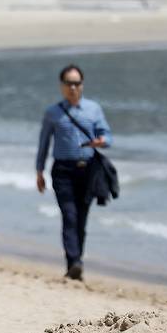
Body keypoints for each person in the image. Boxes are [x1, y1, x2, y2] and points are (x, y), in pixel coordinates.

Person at [35, 65, 112, 281]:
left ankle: (75, 264)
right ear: (62, 86)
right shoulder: (53, 113)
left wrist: (102, 141)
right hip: (62, 172)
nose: (73, 87)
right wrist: (39, 171)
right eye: (69, 83)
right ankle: (74, 262)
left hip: (88, 171)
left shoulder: (94, 109)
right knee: (69, 216)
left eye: (77, 83)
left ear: (82, 85)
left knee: (81, 220)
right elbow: (43, 144)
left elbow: (108, 136)